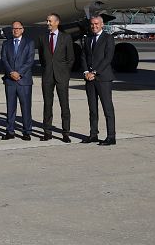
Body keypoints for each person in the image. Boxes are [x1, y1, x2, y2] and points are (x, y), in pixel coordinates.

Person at [37, 13, 75, 143]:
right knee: (47, 105)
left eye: (50, 21)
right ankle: (47, 132)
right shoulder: (42, 38)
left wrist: (65, 73)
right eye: (47, 21)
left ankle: (65, 133)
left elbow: (70, 58)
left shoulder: (66, 38)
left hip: (61, 76)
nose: (48, 23)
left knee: (64, 105)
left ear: (57, 22)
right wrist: (47, 69)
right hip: (47, 76)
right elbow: (42, 58)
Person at [80, 15, 116, 146]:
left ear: (102, 25)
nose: (94, 26)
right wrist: (86, 72)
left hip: (103, 78)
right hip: (89, 78)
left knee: (107, 108)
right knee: (92, 109)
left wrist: (95, 72)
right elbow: (83, 56)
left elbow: (108, 58)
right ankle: (93, 134)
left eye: (96, 24)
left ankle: (111, 136)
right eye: (92, 24)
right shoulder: (88, 38)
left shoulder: (108, 38)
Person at [1, 21, 34, 141]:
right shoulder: (6, 43)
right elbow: (4, 59)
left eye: (18, 28)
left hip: (24, 80)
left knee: (26, 107)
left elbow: (30, 60)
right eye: (14, 28)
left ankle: (27, 131)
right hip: (10, 80)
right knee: (10, 107)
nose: (15, 30)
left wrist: (18, 73)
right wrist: (11, 72)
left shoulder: (29, 43)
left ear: (22, 29)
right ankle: (10, 131)